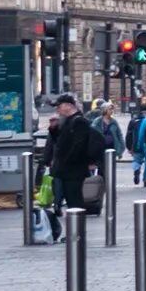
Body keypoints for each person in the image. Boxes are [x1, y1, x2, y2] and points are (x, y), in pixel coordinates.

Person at [35, 93, 107, 245]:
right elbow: (60, 142)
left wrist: (66, 161)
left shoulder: (79, 122)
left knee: (75, 201)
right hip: (67, 169)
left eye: (60, 107)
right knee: (71, 200)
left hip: (73, 169)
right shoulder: (67, 121)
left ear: (69, 106)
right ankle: (75, 232)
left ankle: (77, 233)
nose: (58, 111)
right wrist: (54, 130)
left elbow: (77, 146)